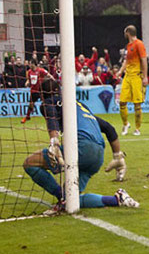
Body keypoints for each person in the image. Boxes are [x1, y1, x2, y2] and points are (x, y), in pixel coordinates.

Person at [22, 79, 138, 214]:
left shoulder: (49, 102)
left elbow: (51, 117)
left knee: (30, 164)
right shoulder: (79, 105)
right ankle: (117, 199)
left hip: (81, 147)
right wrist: (117, 156)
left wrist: (54, 142)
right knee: (72, 199)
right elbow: (109, 128)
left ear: (43, 95)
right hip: (98, 154)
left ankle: (61, 197)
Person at [116, 25, 148, 136]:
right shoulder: (129, 46)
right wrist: (120, 71)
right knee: (122, 102)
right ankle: (125, 124)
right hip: (127, 76)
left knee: (137, 104)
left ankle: (137, 128)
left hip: (136, 77)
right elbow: (126, 61)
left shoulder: (139, 44)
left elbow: (144, 60)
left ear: (128, 33)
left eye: (125, 32)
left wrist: (145, 76)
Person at [21, 59, 53, 124]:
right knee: (31, 104)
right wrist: (27, 83)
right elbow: (29, 80)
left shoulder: (40, 70)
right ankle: (27, 117)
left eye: (30, 63)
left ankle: (49, 116)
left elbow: (48, 74)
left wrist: (53, 79)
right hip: (33, 91)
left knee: (45, 103)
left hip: (41, 90)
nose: (29, 65)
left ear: (33, 64)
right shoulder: (29, 72)